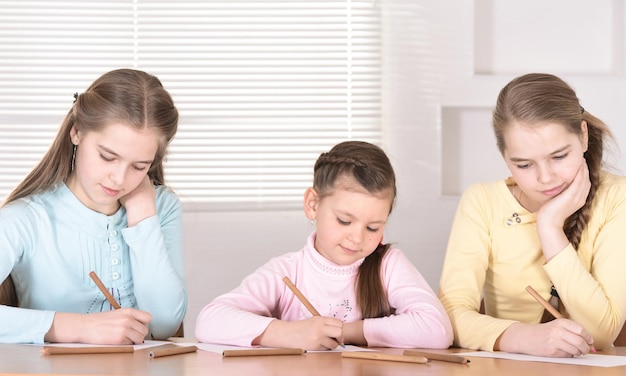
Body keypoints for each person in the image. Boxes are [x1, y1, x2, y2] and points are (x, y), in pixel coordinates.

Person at [195, 140, 453, 350]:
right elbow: (209, 320)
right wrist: (288, 333)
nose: (357, 238)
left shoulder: (388, 264)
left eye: (373, 227)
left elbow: (437, 330)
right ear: (313, 205)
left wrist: (347, 331)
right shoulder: (287, 271)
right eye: (344, 221)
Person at [438, 73, 626, 357]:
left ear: (583, 137)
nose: (546, 178)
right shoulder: (482, 201)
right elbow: (449, 315)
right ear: (505, 158)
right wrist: (524, 338)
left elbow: (601, 334)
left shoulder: (617, 197)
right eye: (524, 165)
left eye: (559, 156)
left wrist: (550, 227)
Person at [0, 68, 187, 344]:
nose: (120, 179)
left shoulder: (162, 206)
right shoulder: (25, 218)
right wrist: (78, 327)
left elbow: (163, 325)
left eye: (139, 166)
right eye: (107, 156)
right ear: (76, 133)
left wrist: (143, 216)